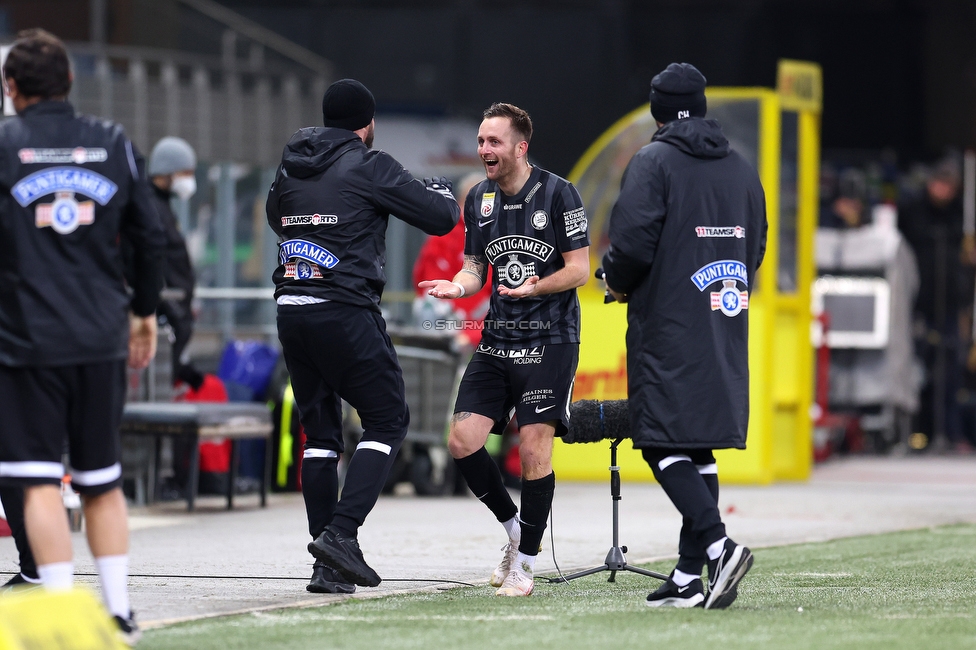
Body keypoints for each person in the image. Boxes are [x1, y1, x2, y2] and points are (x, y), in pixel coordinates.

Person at [0, 29, 163, 644]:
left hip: (24, 340)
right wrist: (143, 312)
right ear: (69, 83)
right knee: (101, 479)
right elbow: (150, 239)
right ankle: (119, 613)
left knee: (39, 479)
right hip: (100, 337)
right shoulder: (112, 142)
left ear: (11, 89)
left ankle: (64, 612)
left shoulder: (3, 145)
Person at [267, 78, 459, 593]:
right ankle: (341, 536)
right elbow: (442, 216)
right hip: (344, 308)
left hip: (291, 307)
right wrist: (438, 188)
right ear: (368, 124)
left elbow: (274, 217)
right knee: (388, 418)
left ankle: (327, 567)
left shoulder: (290, 164)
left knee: (322, 435)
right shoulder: (370, 164)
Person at [601, 63, 767, 610]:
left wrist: (618, 284)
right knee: (697, 441)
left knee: (660, 438)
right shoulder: (741, 166)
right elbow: (757, 245)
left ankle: (718, 547)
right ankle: (688, 576)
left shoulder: (654, 161)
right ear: (699, 106)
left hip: (668, 323)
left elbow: (629, 244)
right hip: (723, 317)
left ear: (657, 109)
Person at [419, 102, 590, 597]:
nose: (484, 150)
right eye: (480, 141)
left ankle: (527, 565)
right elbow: (475, 266)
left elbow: (579, 268)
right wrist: (458, 286)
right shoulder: (478, 198)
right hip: (498, 338)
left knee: (534, 446)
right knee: (461, 441)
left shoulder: (560, 194)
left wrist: (537, 288)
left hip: (552, 338)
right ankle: (516, 530)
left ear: (520, 147)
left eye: (493, 142)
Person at [898, 156, 970, 451]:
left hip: (950, 306)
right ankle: (916, 432)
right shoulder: (914, 212)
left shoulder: (958, 216)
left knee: (950, 372)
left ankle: (949, 433)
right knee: (918, 368)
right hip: (918, 304)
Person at [147, 135, 204, 390]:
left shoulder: (161, 206)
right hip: (166, 312)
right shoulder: (151, 208)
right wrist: (171, 309)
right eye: (186, 172)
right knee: (157, 387)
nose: (188, 180)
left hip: (174, 309)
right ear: (168, 171)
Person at [412, 172, 492, 349]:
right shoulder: (443, 237)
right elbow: (427, 287)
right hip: (447, 330)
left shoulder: (502, 238)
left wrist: (471, 335)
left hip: (486, 330)